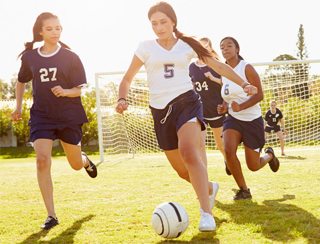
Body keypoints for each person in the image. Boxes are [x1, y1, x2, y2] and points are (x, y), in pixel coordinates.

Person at [115, 2, 257, 232]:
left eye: (163, 22)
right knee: (183, 171)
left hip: (186, 103)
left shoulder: (187, 45)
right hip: (160, 111)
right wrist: (122, 98)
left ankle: (206, 214)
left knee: (190, 153)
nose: (159, 27)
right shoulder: (145, 47)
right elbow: (127, 79)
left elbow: (219, 66)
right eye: (154, 23)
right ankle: (208, 187)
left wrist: (244, 83)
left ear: (173, 22)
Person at [11, 12, 97, 230]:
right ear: (40, 31)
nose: (55, 32)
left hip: (68, 115)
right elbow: (21, 81)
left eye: (58, 28)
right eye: (49, 29)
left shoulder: (70, 57)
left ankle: (85, 160)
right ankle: (51, 215)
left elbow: (78, 91)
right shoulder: (30, 58)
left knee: (75, 164)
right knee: (42, 160)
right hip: (42, 116)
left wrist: (65, 91)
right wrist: (18, 106)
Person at [217, 37, 280, 200]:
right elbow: (227, 95)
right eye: (222, 47)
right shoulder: (223, 72)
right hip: (233, 119)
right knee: (229, 151)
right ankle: (244, 190)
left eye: (229, 46)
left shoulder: (247, 68)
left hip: (252, 120)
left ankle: (269, 155)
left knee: (253, 165)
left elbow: (260, 95)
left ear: (237, 49)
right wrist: (224, 105)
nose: (225, 49)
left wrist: (242, 106)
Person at [189, 37, 231, 176]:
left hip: (216, 109)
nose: (202, 49)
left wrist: (213, 79)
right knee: (200, 144)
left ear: (210, 48)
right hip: (199, 109)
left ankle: (227, 161)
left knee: (221, 145)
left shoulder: (216, 64)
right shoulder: (192, 67)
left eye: (205, 46)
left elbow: (226, 84)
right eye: (199, 47)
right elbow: (191, 85)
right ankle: (203, 178)